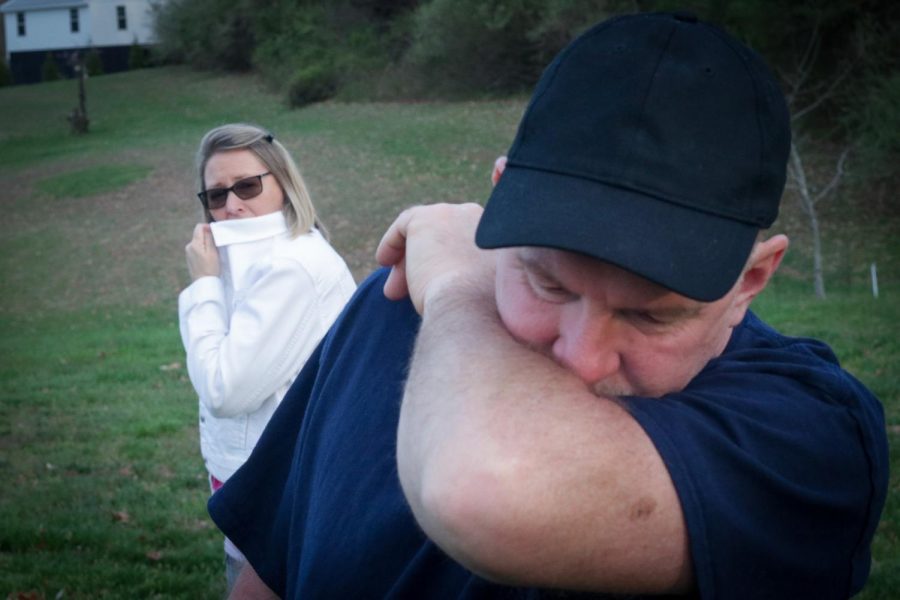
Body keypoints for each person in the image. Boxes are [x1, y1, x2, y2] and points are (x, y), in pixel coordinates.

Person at [209, 13, 889, 599]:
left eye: (652, 315)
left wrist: (459, 284)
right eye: (549, 283)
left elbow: (481, 485)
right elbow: (271, 571)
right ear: (498, 198)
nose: (581, 358)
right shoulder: (387, 306)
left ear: (752, 279)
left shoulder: (812, 436)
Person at [178, 123, 356, 592]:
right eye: (216, 196)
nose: (233, 205)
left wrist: (202, 286)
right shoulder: (247, 260)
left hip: (287, 496)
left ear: (284, 184)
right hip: (261, 491)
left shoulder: (292, 267)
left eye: (248, 186)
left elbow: (224, 390)